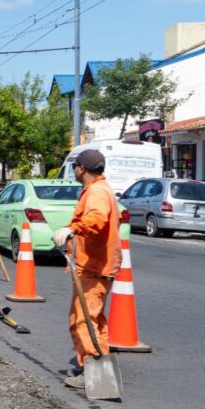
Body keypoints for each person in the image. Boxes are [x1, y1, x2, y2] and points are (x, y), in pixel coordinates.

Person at [52, 149, 122, 390]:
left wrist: (72, 229)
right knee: (94, 320)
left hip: (94, 267)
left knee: (82, 321)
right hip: (96, 265)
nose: (74, 170)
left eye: (75, 166)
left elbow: (97, 219)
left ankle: (94, 372)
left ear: (82, 168)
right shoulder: (100, 189)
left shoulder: (97, 192)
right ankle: (98, 368)